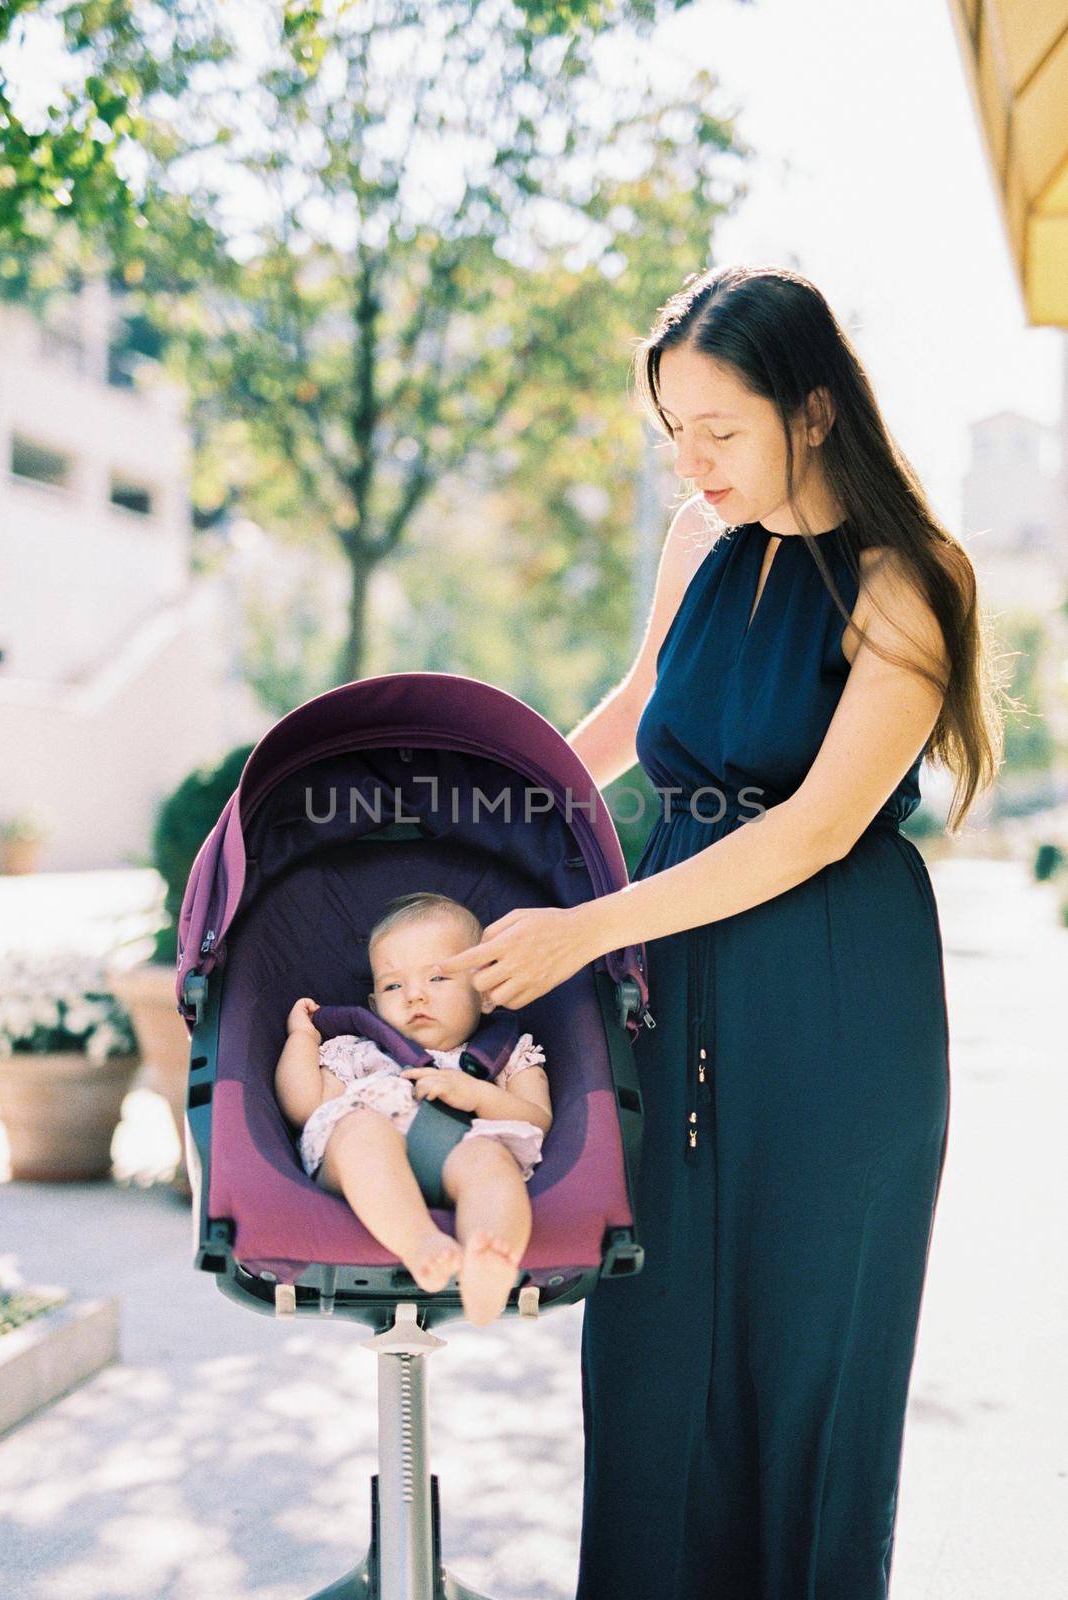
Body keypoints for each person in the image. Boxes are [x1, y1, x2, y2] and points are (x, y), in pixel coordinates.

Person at [438, 266, 1008, 1595]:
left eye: (721, 432)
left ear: (813, 413)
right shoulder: (698, 538)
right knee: (648, 1340)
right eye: (673, 434)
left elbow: (812, 830)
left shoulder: (907, 578)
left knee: (811, 1361)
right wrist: (483, 838)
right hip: (671, 959)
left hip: (833, 990)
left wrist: (583, 928)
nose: (693, 465)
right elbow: (637, 708)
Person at [275, 891, 552, 1326]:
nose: (414, 996)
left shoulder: (509, 1055)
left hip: (460, 1154)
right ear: (374, 1005)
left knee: (492, 1165)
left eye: (438, 979)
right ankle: (421, 1243)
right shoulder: (356, 1051)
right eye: (392, 985)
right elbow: (304, 1106)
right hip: (365, 1159)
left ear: (486, 993)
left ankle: (491, 1259)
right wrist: (302, 1039)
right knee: (360, 1130)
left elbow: (537, 1120)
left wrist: (479, 1095)